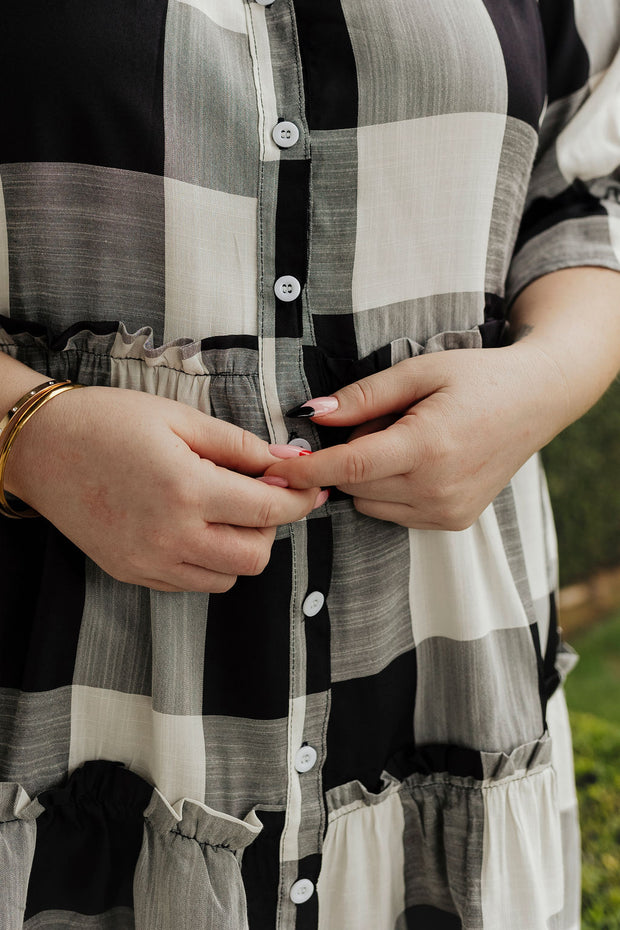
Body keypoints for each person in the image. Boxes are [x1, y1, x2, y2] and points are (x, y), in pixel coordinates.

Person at [1, 1, 619, 928]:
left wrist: (540, 381)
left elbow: (583, 189)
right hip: (63, 695)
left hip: (440, 665)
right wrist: (28, 432)